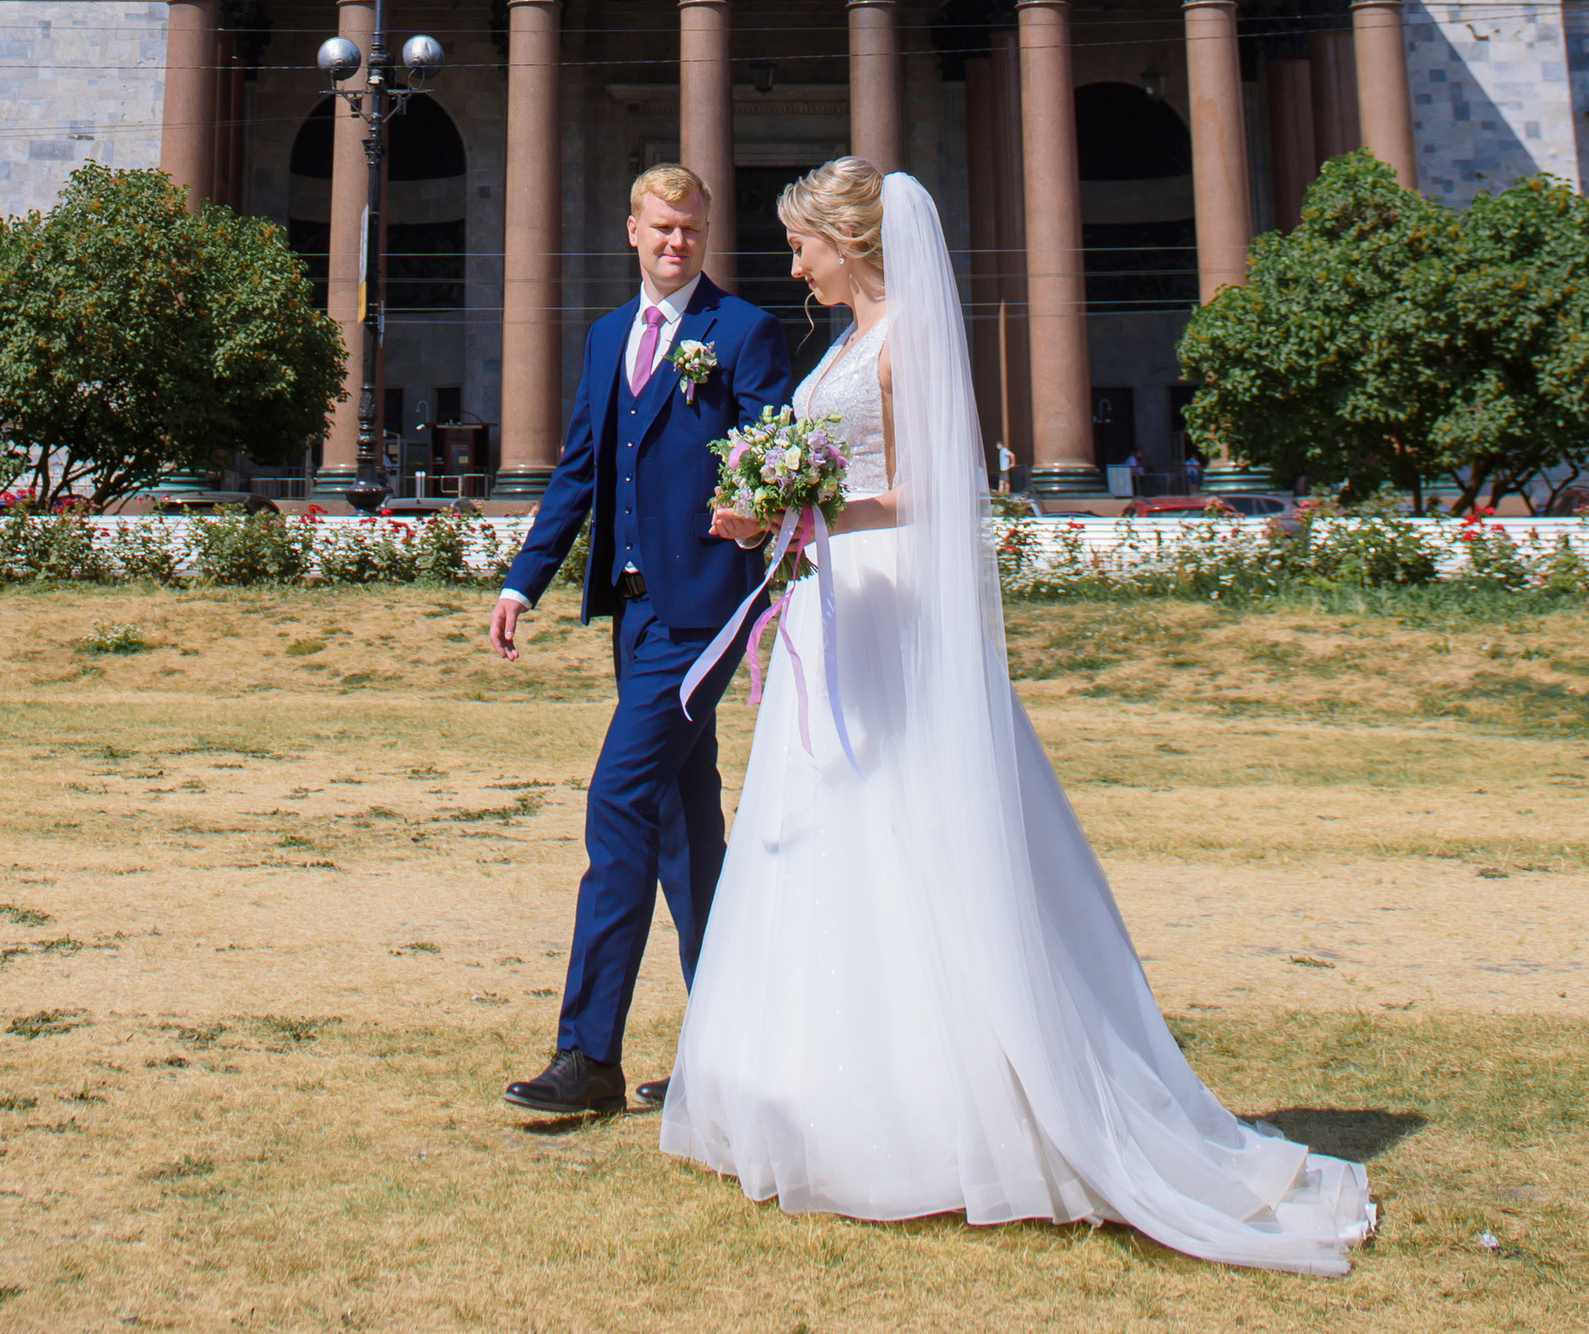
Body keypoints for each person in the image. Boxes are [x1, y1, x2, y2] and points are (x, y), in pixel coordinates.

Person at [659, 159, 1373, 1272]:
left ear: (855, 243)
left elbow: (931, 492)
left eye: (805, 242)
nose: (792, 261)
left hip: (883, 603)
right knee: (822, 836)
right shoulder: (846, 343)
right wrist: (780, 509)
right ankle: (812, 1085)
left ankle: (930, 1108)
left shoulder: (900, 343)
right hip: (831, 608)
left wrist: (801, 502)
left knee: (899, 831)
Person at [490, 164, 792, 1120]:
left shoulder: (742, 331)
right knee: (683, 828)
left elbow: (772, 453)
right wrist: (521, 578)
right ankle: (733, 1047)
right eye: (662, 229)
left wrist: (750, 509)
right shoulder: (608, 336)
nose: (677, 244)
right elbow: (579, 468)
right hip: (633, 617)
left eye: (692, 230)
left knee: (617, 802)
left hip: (702, 616)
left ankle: (589, 1052)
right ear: (631, 230)